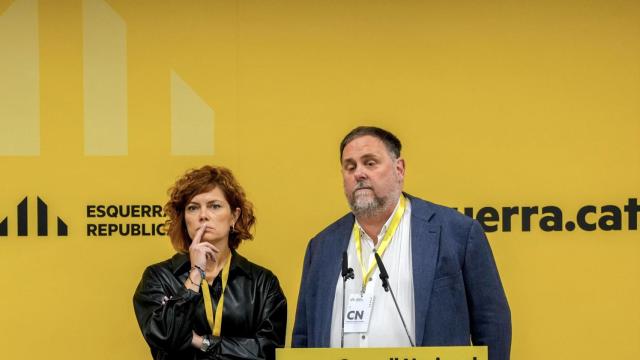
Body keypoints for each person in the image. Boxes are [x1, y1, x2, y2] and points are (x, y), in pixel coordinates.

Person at [292, 126, 511, 360]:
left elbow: (492, 324)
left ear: (399, 169)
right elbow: (304, 337)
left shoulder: (456, 233)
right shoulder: (321, 247)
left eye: (370, 163)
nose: (359, 173)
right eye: (350, 166)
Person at [133, 165, 286, 360]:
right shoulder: (159, 277)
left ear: (234, 216)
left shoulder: (262, 282)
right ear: (184, 219)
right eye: (193, 207)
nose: (203, 215)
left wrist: (201, 342)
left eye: (214, 206)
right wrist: (196, 273)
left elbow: (267, 352)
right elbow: (165, 337)